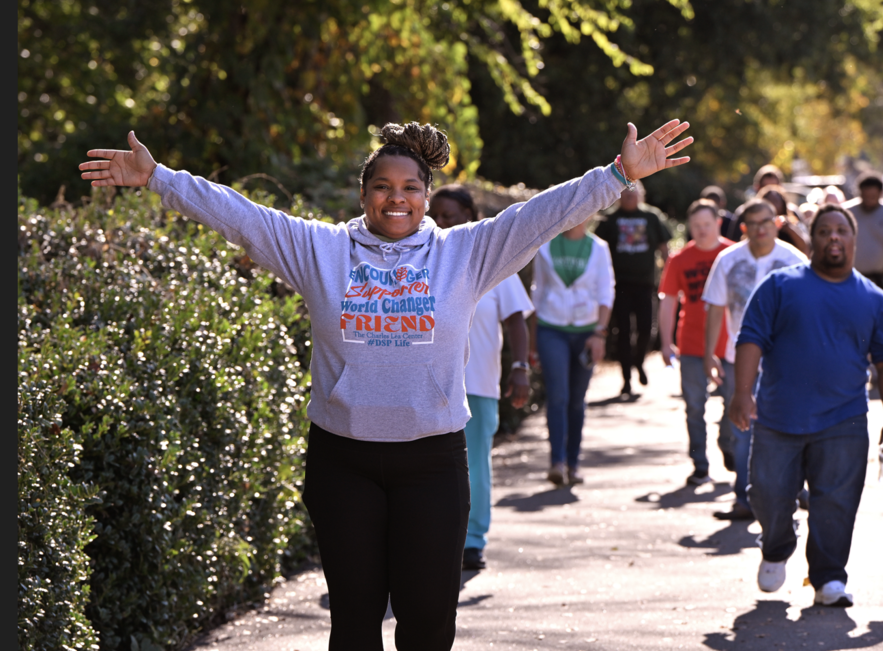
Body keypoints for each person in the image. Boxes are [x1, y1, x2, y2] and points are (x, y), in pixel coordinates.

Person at [80, 119, 693, 650]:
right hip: (343, 463)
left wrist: (616, 174)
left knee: (429, 623)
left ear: (427, 196)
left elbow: (540, 214)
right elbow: (243, 216)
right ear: (365, 194)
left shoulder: (467, 253)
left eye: (409, 189)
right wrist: (160, 178)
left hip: (432, 463)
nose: (395, 200)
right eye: (382, 187)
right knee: (353, 620)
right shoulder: (320, 250)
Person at [729, 202, 883, 607]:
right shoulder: (780, 286)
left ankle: (828, 578)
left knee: (836, 502)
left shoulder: (875, 301)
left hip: (843, 420)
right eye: (824, 231)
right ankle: (775, 546)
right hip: (777, 416)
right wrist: (742, 392)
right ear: (812, 240)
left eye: (841, 231)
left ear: (853, 240)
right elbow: (751, 338)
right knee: (767, 495)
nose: (833, 238)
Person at [428, 184, 534, 571]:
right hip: (429, 388)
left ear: (470, 217)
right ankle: (434, 538)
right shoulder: (419, 260)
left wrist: (520, 368)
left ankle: (472, 541)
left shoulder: (493, 261)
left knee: (475, 466)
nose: (440, 223)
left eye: (449, 216)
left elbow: (517, 321)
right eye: (434, 215)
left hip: (478, 386)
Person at [702, 199, 808, 521]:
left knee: (786, 428)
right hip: (739, 360)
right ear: (744, 227)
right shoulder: (728, 261)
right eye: (754, 224)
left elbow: (808, 312)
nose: (761, 229)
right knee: (742, 429)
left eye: (767, 222)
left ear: (777, 223)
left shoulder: (795, 262)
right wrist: (710, 354)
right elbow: (716, 309)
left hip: (785, 362)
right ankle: (744, 499)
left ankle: (792, 492)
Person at [530, 218, 615, 486]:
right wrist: (533, 343)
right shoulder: (545, 247)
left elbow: (605, 292)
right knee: (558, 396)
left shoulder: (599, 248)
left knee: (577, 400)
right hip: (551, 328)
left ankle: (573, 463)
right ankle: (556, 461)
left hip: (587, 332)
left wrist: (599, 333)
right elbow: (538, 292)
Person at [658, 199, 734, 485]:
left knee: (734, 399)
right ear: (689, 227)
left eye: (707, 224)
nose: (702, 231)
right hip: (691, 343)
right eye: (696, 226)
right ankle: (700, 465)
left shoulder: (732, 253)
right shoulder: (679, 260)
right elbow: (668, 302)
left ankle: (727, 442)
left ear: (717, 223)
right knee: (694, 407)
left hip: (730, 344)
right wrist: (666, 343)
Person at [595, 182, 673, 396]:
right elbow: (596, 250)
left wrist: (671, 276)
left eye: (633, 192)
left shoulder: (652, 217)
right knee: (622, 332)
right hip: (618, 286)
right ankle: (626, 379)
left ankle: (639, 362)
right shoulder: (609, 220)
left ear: (641, 195)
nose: (629, 196)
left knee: (646, 329)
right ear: (619, 196)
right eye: (626, 193)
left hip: (645, 284)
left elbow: (665, 248)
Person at [844, 172, 883, 303]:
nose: (869, 201)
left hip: (881, 277)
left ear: (881, 193)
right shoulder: (847, 212)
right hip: (851, 277)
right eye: (865, 196)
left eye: (873, 197)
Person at [755, 184, 809, 255]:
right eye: (768, 201)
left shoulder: (792, 223)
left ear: (783, 204)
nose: (772, 205)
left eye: (775, 201)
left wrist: (789, 228)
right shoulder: (756, 225)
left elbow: (805, 247)